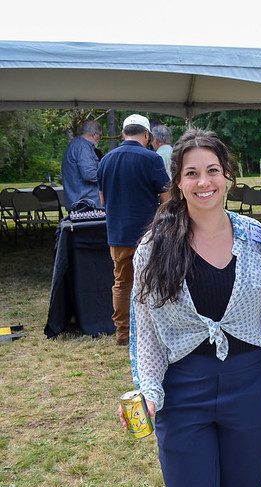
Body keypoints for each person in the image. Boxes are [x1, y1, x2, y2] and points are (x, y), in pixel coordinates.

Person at [119, 129, 261, 487]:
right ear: (178, 181)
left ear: (229, 175)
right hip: (183, 391)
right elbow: (148, 333)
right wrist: (150, 390)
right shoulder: (154, 247)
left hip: (249, 387)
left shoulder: (257, 239)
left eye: (213, 170)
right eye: (192, 173)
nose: (203, 182)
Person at [98, 114, 170, 345]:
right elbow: (167, 200)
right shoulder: (152, 159)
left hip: (117, 234)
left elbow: (102, 200)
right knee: (152, 282)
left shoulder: (105, 160)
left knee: (122, 282)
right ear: (147, 135)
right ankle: (152, 332)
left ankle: (123, 333)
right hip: (147, 234)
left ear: (123, 134)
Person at [61, 120, 102, 210]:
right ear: (94, 134)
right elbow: (89, 174)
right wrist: (110, 176)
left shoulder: (76, 144)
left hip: (78, 202)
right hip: (87, 204)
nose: (100, 139)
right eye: (100, 136)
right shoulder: (83, 148)